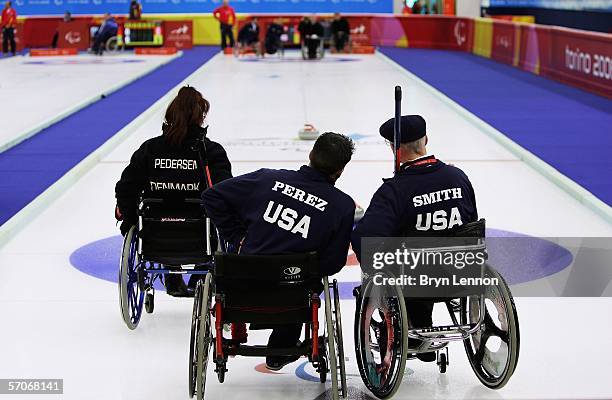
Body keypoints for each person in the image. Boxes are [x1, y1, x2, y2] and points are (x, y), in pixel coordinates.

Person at [202, 132, 355, 371]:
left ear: (311, 155)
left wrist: (238, 236)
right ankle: (279, 350)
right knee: (301, 281)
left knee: (283, 277)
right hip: (294, 298)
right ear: (340, 170)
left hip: (242, 287)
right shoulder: (342, 206)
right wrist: (302, 265)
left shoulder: (266, 180)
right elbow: (333, 264)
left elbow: (212, 196)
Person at [351, 115, 478, 362]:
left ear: (394, 149)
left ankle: (416, 329)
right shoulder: (458, 177)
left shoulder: (394, 190)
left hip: (413, 280)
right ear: (426, 140)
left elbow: (369, 242)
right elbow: (470, 221)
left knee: (394, 253)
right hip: (460, 272)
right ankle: (422, 325)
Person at [115, 86, 232, 296]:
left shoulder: (150, 149)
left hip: (154, 237)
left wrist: (130, 220)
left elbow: (126, 188)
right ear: (201, 117)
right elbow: (226, 195)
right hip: (199, 238)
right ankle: (199, 277)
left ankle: (173, 277)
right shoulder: (211, 152)